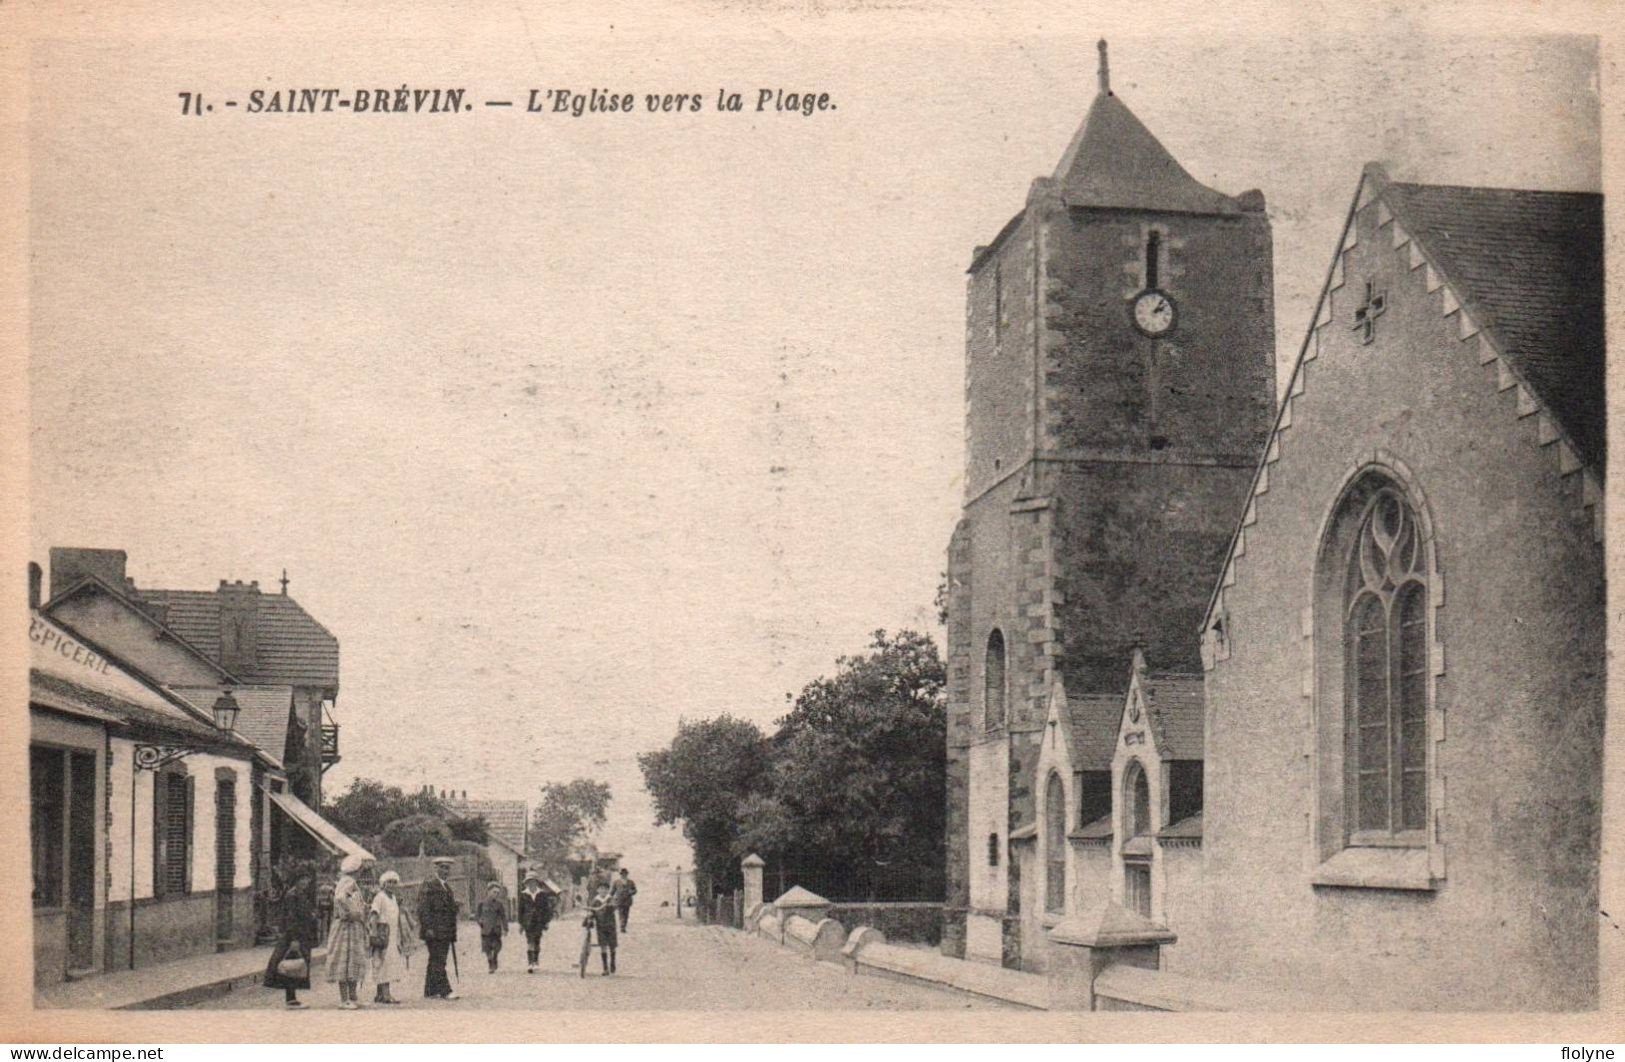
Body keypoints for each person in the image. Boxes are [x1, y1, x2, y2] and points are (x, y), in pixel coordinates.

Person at [264, 867, 317, 1009]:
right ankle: (290, 999)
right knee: (291, 966)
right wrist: (294, 940)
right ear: (297, 880)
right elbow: (290, 919)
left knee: (296, 966)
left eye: (307, 879)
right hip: (293, 936)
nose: (306, 882)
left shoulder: (300, 894)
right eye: (304, 879)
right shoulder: (291, 895)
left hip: (301, 935)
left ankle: (292, 998)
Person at [324, 854, 372, 1010]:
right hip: (346, 928)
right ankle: (344, 999)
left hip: (352, 927)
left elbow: (351, 900)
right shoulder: (349, 882)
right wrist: (353, 912)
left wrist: (363, 908)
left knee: (354, 961)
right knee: (345, 960)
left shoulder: (349, 882)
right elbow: (340, 898)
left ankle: (353, 997)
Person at [417, 856, 460, 1000]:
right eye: (442, 867)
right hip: (434, 930)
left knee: (435, 959)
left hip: (445, 930)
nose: (445, 870)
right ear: (436, 868)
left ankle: (430, 990)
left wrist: (455, 907)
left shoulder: (446, 887)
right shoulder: (429, 885)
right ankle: (445, 990)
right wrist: (428, 927)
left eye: (447, 868)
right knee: (439, 960)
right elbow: (423, 908)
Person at [369, 870, 413, 1005]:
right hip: (383, 932)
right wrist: (374, 933)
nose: (392, 885)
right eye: (389, 882)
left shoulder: (393, 898)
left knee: (388, 961)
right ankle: (386, 995)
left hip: (392, 934)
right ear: (383, 883)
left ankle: (380, 994)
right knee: (383, 962)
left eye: (394, 882)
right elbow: (374, 915)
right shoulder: (380, 897)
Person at [516, 873, 554, 974]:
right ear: (527, 883)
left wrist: (546, 922)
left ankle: (536, 961)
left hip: (539, 921)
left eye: (533, 882)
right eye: (529, 882)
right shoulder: (524, 894)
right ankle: (530, 963)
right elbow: (520, 910)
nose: (531, 884)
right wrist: (520, 924)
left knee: (537, 941)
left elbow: (547, 910)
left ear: (536, 883)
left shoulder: (542, 894)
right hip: (528, 922)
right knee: (529, 941)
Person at [585, 882, 618, 975]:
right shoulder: (595, 900)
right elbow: (591, 909)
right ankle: (605, 968)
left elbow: (615, 906)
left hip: (611, 925)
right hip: (600, 926)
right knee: (603, 946)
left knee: (612, 946)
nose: (603, 891)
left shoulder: (610, 899)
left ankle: (612, 962)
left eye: (605, 889)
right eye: (601, 889)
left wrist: (609, 905)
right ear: (598, 890)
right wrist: (590, 914)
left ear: (608, 890)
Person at [477, 881, 508, 973]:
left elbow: (503, 917)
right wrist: (480, 922)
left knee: (496, 947)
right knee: (487, 948)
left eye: (497, 893)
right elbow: (478, 916)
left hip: (496, 929)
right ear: (488, 891)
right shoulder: (482, 904)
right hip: (485, 929)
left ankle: (495, 958)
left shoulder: (499, 904)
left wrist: (505, 929)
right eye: (494, 892)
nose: (496, 894)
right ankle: (490, 963)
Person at [610, 868, 637, 933]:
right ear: (620, 875)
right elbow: (612, 891)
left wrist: (631, 892)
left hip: (627, 901)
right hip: (619, 900)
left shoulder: (631, 882)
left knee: (626, 914)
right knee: (621, 914)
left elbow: (635, 890)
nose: (623, 875)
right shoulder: (616, 882)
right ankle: (622, 927)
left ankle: (624, 926)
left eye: (625, 874)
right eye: (622, 874)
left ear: (627, 874)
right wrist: (609, 898)